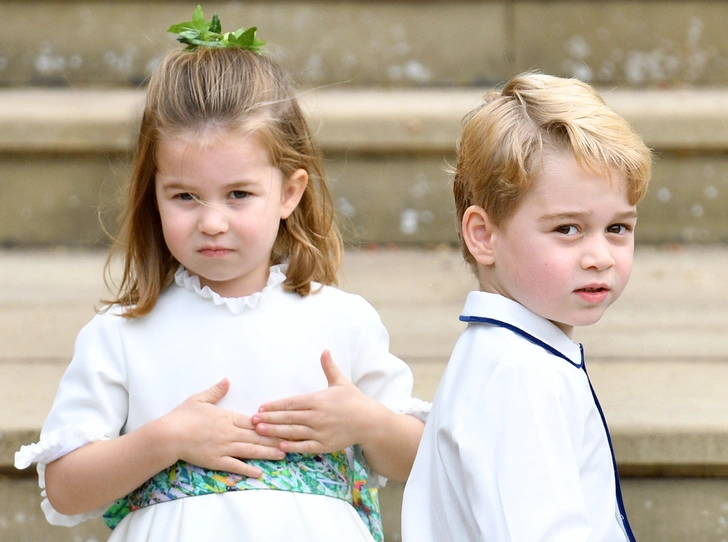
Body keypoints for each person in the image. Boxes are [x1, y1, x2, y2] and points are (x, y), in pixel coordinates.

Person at [14, 7, 427, 542]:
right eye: (185, 196)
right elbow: (65, 490)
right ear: (154, 196)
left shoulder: (341, 319)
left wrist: (368, 423)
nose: (212, 222)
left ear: (290, 192)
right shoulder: (123, 334)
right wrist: (165, 439)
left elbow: (425, 461)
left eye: (239, 194)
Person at [401, 72, 652, 541]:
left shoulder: (513, 357)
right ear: (483, 235)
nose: (599, 256)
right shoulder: (518, 375)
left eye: (617, 228)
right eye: (567, 229)